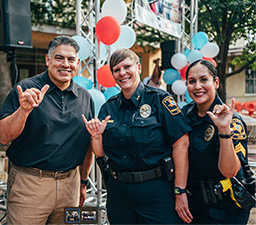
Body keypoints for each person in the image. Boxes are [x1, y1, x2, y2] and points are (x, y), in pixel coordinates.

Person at [82, 48, 193, 224]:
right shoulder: (108, 108)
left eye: (127, 67)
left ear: (139, 68)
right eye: (116, 70)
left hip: (156, 191)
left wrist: (180, 191)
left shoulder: (160, 100)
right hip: (120, 193)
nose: (122, 73)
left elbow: (181, 144)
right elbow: (101, 154)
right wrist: (96, 137)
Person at [0, 35, 94, 225]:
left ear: (78, 63)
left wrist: (83, 183)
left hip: (70, 186)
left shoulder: (85, 97)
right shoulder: (25, 89)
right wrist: (23, 111)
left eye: (71, 59)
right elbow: (2, 136)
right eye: (59, 58)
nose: (65, 64)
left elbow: (87, 145)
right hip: (30, 184)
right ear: (48, 59)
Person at [182, 59, 253, 224]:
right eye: (192, 81)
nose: (197, 86)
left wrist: (223, 130)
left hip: (226, 209)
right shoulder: (185, 115)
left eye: (204, 79)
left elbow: (230, 172)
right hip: (194, 206)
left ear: (216, 82)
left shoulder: (230, 120)